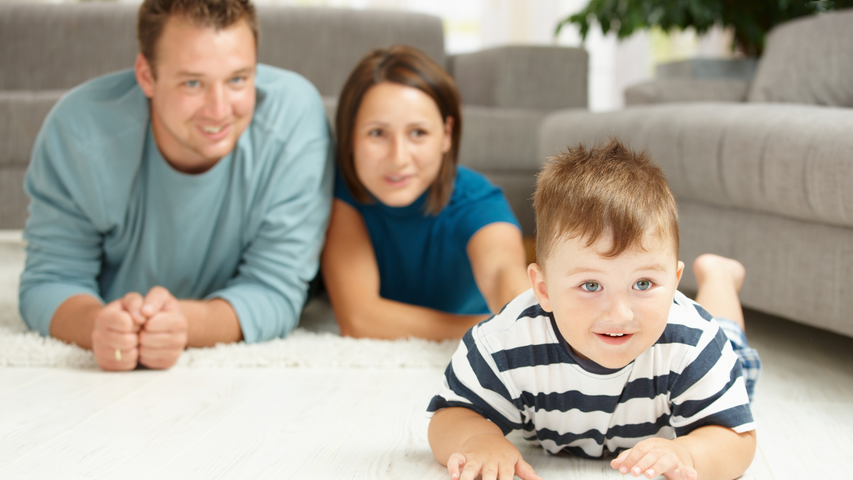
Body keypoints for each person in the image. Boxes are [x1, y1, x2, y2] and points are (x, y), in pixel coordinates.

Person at [18, 0, 333, 371]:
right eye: (193, 83)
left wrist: (184, 324)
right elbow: (50, 280)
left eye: (237, 79)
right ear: (147, 75)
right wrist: (97, 326)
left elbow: (276, 290)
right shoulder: (79, 132)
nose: (219, 110)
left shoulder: (295, 120)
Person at [427, 139, 760, 480]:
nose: (619, 314)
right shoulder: (506, 343)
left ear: (674, 282)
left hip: (708, 360)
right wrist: (478, 438)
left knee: (731, 340)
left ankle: (719, 277)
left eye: (643, 284)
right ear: (543, 289)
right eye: (590, 286)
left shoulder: (696, 344)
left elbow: (736, 440)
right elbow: (449, 415)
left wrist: (686, 451)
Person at [321, 45, 530, 340]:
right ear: (350, 136)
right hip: (478, 326)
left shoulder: (479, 201)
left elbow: (503, 275)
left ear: (446, 134)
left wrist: (522, 322)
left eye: (418, 133)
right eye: (377, 133)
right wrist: (493, 331)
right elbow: (359, 319)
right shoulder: (343, 193)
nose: (398, 158)